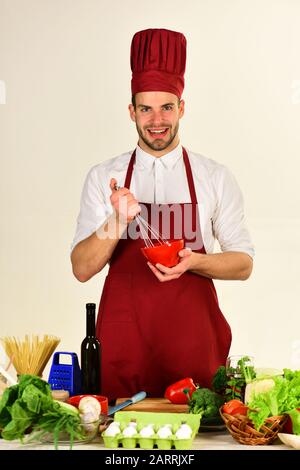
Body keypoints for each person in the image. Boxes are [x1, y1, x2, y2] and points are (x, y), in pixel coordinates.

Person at [71, 28, 254, 400]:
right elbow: (81, 267)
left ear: (182, 107)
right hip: (124, 354)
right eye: (146, 108)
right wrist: (117, 220)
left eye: (167, 107)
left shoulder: (213, 176)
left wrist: (194, 262)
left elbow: (243, 263)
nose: (157, 119)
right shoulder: (104, 176)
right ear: (131, 111)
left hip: (194, 351)